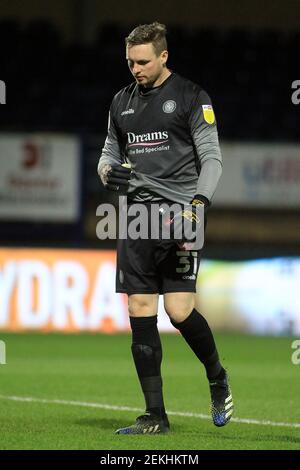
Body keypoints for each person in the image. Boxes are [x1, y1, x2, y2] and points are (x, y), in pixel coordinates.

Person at [98, 21, 233, 434]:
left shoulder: (192, 97)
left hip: (181, 215)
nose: (135, 69)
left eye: (142, 62)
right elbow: (108, 154)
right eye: (130, 62)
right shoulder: (121, 101)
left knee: (178, 312)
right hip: (137, 217)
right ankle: (155, 415)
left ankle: (217, 376)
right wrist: (107, 173)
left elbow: (212, 157)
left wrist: (199, 203)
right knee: (140, 310)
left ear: (163, 57)